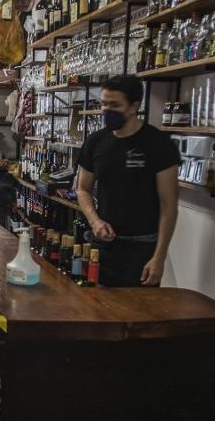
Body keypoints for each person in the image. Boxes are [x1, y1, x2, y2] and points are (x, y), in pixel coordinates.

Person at [76, 74, 180, 287]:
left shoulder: (158, 144)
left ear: (133, 107)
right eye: (104, 104)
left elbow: (169, 206)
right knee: (97, 312)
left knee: (139, 315)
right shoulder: (95, 142)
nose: (107, 110)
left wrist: (159, 257)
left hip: (142, 249)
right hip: (104, 247)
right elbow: (83, 189)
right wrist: (95, 221)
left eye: (114, 105)